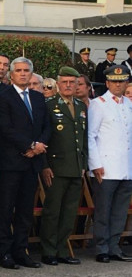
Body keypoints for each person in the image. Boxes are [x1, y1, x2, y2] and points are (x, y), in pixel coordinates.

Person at [0, 57, 50, 270]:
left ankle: (21, 251)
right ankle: (4, 253)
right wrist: (29, 145)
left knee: (26, 210)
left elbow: (46, 125)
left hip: (32, 162)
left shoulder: (37, 97)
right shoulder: (3, 97)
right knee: (6, 209)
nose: (23, 74)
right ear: (11, 74)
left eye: (27, 70)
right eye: (18, 70)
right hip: (11, 161)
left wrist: (39, 145)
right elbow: (5, 128)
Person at [40, 67, 87, 266]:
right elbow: (42, 137)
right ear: (58, 84)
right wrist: (44, 166)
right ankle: (48, 251)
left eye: (72, 82)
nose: (68, 85)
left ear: (78, 84)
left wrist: (83, 164)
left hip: (76, 167)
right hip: (56, 167)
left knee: (69, 212)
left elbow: (83, 139)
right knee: (53, 211)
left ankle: (61, 249)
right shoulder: (49, 105)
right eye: (65, 82)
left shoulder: (81, 106)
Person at [87, 65, 132, 263]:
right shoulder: (99, 103)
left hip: (126, 168)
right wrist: (95, 164)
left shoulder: (129, 104)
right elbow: (90, 136)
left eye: (121, 81)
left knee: (120, 211)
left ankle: (114, 247)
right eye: (114, 81)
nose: (118, 85)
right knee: (103, 211)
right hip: (105, 167)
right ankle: (101, 247)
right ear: (107, 83)